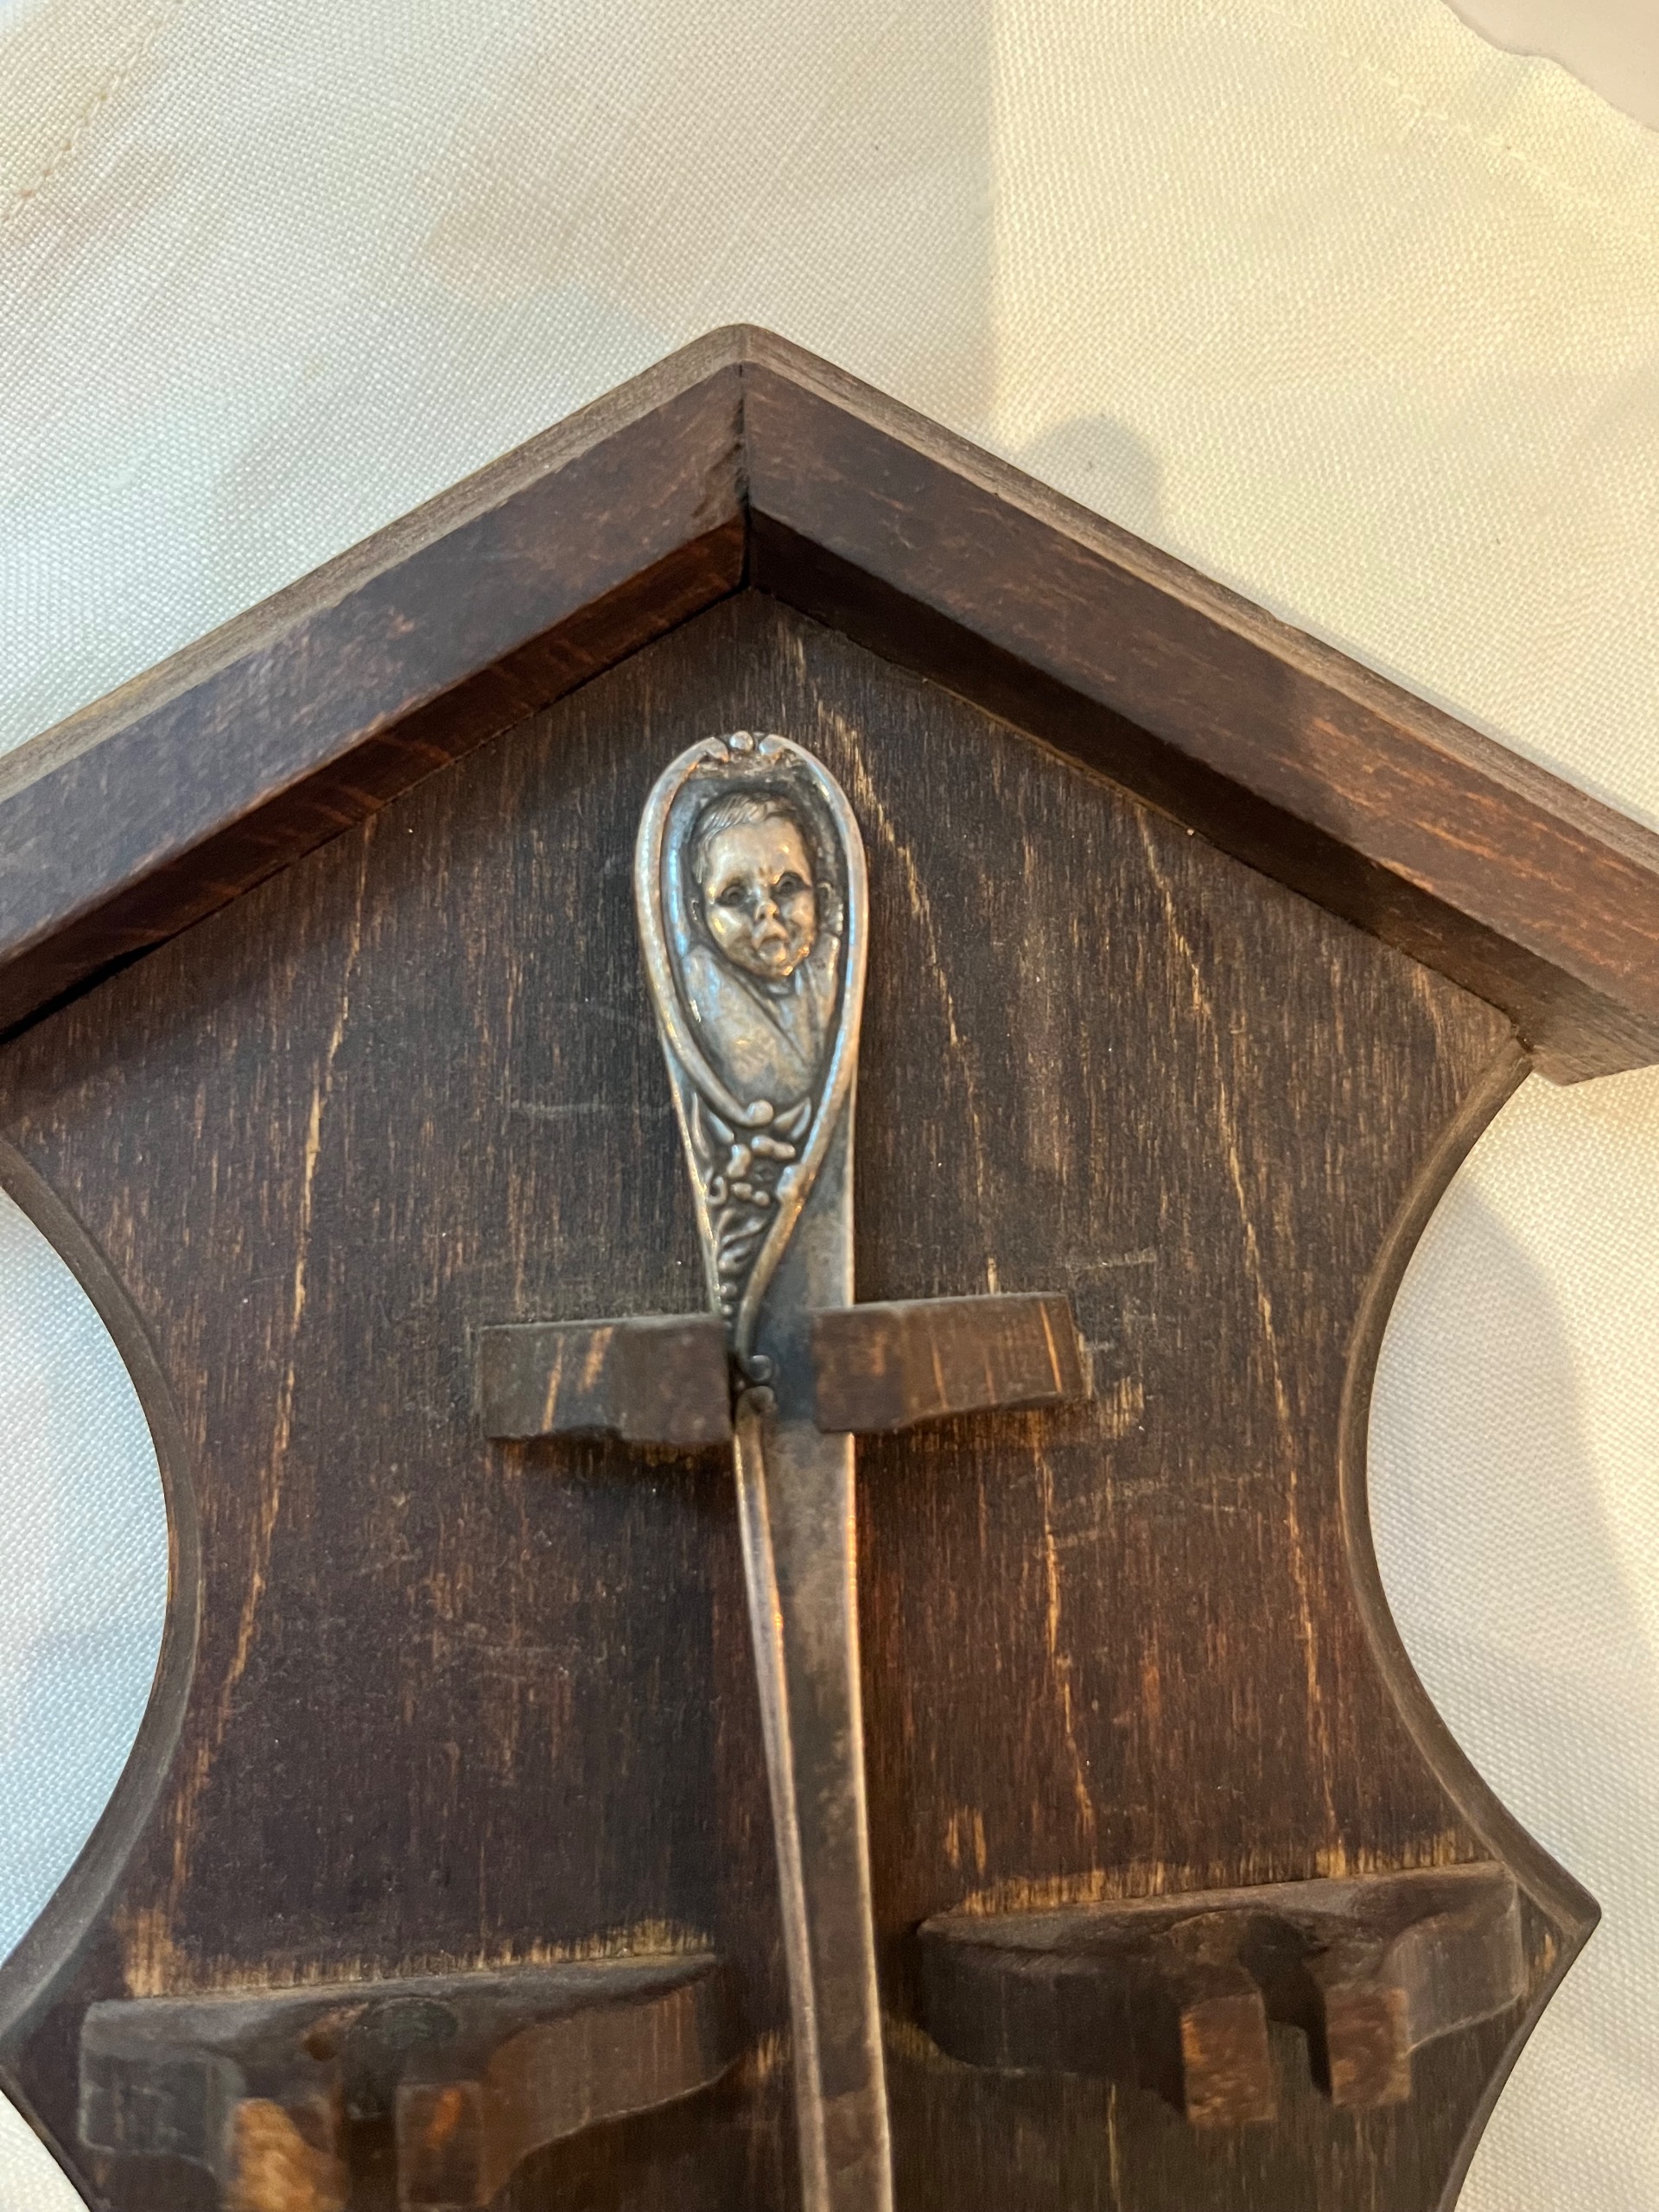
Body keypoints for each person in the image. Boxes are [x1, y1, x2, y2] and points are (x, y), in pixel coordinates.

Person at [680, 791, 840, 1110]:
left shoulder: (830, 969)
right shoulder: (701, 984)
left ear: (821, 899)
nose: (766, 909)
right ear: (700, 917)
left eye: (787, 887)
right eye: (734, 896)